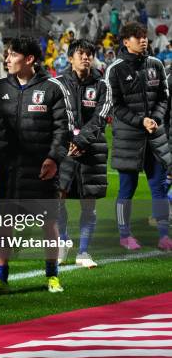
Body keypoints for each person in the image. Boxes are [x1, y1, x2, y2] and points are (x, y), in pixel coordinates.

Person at [0, 36, 71, 297]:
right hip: (8, 169)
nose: (6, 59)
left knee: (48, 223)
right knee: (4, 223)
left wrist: (53, 158)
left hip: (40, 169)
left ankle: (52, 276)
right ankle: (0, 278)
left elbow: (61, 129)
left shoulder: (52, 88)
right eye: (6, 54)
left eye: (12, 54)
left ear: (29, 59)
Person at [106, 22, 172, 251]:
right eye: (137, 37)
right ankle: (125, 236)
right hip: (128, 139)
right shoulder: (115, 69)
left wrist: (155, 117)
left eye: (144, 36)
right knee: (127, 188)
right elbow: (115, 106)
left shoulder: (156, 64)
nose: (143, 40)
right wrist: (139, 121)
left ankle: (164, 236)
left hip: (155, 136)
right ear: (126, 41)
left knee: (159, 187)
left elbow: (164, 97)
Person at [56, 39, 111, 268]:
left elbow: (101, 117)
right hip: (65, 149)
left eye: (89, 54)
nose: (86, 57)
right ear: (70, 58)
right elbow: (54, 117)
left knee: (88, 203)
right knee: (58, 197)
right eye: (81, 54)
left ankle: (84, 252)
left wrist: (80, 141)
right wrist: (68, 141)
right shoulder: (57, 84)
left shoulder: (102, 85)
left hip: (92, 150)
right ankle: (63, 241)